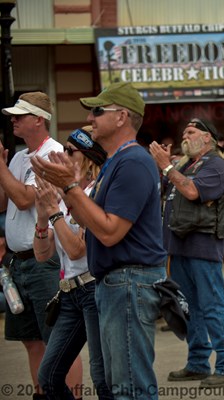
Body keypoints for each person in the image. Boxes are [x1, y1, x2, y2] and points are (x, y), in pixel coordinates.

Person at [30, 82, 167, 399]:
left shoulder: (132, 161)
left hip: (129, 281)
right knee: (117, 384)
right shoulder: (118, 161)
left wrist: (67, 189)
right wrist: (64, 193)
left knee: (128, 387)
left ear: (121, 117)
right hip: (115, 282)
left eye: (97, 111)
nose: (90, 118)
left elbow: (108, 232)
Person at [0, 92, 82, 400]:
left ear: (39, 119)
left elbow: (23, 199)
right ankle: (43, 395)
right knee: (32, 341)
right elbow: (4, 200)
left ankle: (70, 396)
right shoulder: (21, 156)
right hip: (18, 260)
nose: (13, 120)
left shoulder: (53, 153)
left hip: (45, 259)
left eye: (19, 115)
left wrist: (0, 167)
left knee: (60, 342)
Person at [149, 118, 224, 388]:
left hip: (203, 245)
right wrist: (165, 168)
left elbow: (191, 191)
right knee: (189, 309)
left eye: (191, 132)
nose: (184, 136)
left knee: (212, 307)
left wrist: (166, 166)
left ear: (207, 138)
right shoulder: (184, 165)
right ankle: (198, 362)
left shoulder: (215, 163)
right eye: (183, 132)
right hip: (178, 246)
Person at [33, 126, 113, 399]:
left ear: (89, 157)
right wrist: (43, 217)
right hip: (69, 292)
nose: (62, 155)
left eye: (70, 150)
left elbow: (77, 249)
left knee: (102, 377)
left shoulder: (93, 194)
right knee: (49, 375)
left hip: (92, 289)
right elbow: (42, 255)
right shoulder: (67, 195)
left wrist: (54, 212)